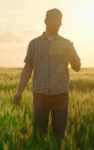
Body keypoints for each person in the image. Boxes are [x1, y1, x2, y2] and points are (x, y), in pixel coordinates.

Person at [13, 8, 81, 139]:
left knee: (59, 135)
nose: (56, 26)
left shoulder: (67, 43)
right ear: (45, 21)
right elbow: (28, 68)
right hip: (40, 95)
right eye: (53, 23)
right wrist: (19, 92)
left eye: (59, 23)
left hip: (60, 95)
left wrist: (71, 54)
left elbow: (77, 67)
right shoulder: (34, 44)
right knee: (38, 134)